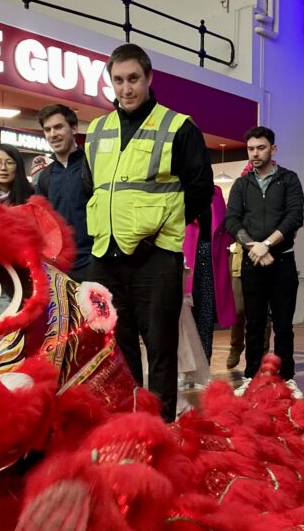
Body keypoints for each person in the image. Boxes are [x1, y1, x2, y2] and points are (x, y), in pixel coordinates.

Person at [83, 43, 214, 422]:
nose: (126, 88)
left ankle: (160, 428)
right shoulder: (97, 129)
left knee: (160, 349)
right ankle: (129, 423)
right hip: (106, 257)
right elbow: (91, 188)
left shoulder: (177, 126)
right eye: (119, 80)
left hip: (156, 256)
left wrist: (162, 225)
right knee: (117, 350)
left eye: (134, 79)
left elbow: (200, 188)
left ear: (149, 78)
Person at [224, 126, 304, 398]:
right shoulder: (241, 184)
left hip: (282, 261)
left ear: (273, 149)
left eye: (261, 148)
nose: (255, 153)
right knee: (254, 324)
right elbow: (231, 220)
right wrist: (253, 247)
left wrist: (267, 244)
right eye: (250, 149)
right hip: (252, 263)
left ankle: (287, 377)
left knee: (283, 325)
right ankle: (251, 376)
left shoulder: (289, 179)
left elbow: (294, 216)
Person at [36, 104, 92, 282]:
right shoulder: (45, 176)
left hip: (94, 264)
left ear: (74, 128)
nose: (52, 134)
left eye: (58, 127)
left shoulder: (93, 166)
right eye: (47, 129)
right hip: (59, 270)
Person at [183, 186, 236, 363]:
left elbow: (226, 226)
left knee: (205, 313)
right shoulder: (181, 189)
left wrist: (226, 247)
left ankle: (204, 364)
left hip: (212, 258)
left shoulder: (215, 193)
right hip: (186, 256)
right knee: (185, 314)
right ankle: (186, 367)